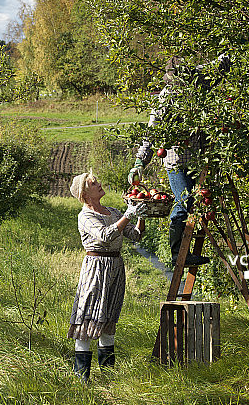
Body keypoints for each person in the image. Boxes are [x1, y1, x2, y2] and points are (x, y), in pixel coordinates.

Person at [127, 54, 230, 267]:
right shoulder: (167, 98)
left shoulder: (199, 79)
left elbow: (219, 64)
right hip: (177, 161)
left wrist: (235, 48)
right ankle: (177, 254)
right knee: (184, 202)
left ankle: (188, 251)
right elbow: (152, 133)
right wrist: (140, 162)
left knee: (202, 202)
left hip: (201, 158)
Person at [67, 170, 146, 382]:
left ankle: (108, 379)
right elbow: (105, 235)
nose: (99, 184)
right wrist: (128, 214)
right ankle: (81, 378)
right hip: (96, 269)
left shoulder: (111, 210)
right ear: (85, 194)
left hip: (115, 268)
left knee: (109, 317)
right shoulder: (85, 216)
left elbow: (135, 235)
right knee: (88, 317)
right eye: (94, 183)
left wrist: (141, 215)